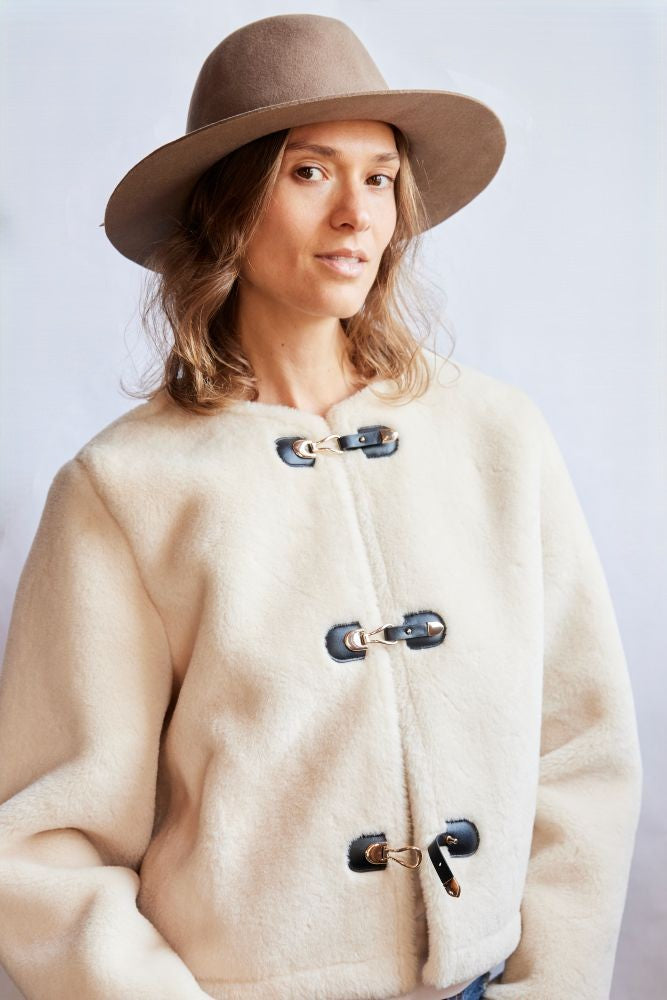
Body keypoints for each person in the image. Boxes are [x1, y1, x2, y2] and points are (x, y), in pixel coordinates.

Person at [0, 13, 642, 1000]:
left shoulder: (497, 439)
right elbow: (48, 846)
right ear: (227, 205)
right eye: (309, 172)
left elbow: (582, 749)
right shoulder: (124, 491)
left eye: (378, 176)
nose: (357, 213)